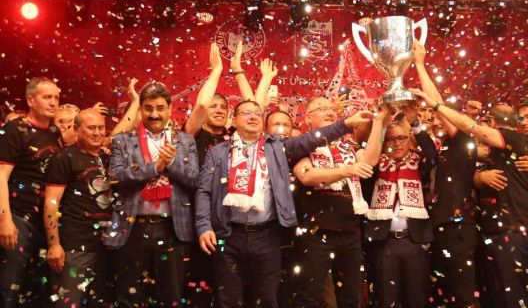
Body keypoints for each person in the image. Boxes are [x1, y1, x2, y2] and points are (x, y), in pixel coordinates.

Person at [196, 98, 373, 307]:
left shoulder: (276, 147)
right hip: (228, 234)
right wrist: (204, 226)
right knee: (228, 299)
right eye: (246, 113)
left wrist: (345, 124)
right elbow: (204, 190)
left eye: (257, 113)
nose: (253, 117)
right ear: (234, 120)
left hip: (267, 235)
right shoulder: (217, 152)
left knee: (268, 299)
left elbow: (311, 139)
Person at [411, 86, 528, 308]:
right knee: (495, 297)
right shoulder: (492, 153)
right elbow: (471, 175)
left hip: (514, 230)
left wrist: (435, 104)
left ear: (492, 124)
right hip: (492, 231)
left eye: (485, 126)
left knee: (513, 297)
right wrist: (480, 176)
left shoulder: (513, 138)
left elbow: (467, 126)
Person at [107, 82, 199, 307]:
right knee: (129, 297)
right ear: (140, 109)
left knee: (170, 296)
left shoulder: (185, 141)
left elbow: (194, 180)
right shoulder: (123, 140)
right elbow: (115, 177)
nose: (154, 114)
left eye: (160, 108)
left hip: (172, 229)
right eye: (148, 108)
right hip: (132, 227)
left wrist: (172, 163)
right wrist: (154, 168)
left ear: (170, 108)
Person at [290, 97, 384, 308]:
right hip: (316, 231)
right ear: (308, 118)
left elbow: (369, 161)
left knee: (350, 297)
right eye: (322, 108)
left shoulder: (348, 145)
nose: (329, 112)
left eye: (332, 109)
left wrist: (379, 121)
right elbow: (307, 175)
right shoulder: (302, 144)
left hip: (350, 230)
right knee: (311, 296)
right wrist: (346, 170)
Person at [413, 41, 480, 307]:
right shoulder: (442, 149)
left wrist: (420, 65)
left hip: (458, 226)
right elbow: (428, 149)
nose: (437, 117)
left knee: (462, 293)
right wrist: (413, 121)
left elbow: (438, 105)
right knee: (439, 293)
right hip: (436, 226)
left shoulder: (463, 141)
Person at [0, 77, 63, 307]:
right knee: (10, 287)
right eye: (47, 97)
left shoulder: (54, 132)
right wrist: (5, 220)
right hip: (18, 217)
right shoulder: (15, 130)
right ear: (30, 100)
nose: (53, 102)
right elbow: (0, 176)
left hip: (43, 221)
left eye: (56, 97)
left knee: (34, 290)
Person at [365, 117, 437, 308]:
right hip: (383, 242)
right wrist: (381, 123)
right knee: (386, 300)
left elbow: (432, 155)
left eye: (402, 138)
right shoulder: (374, 164)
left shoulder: (419, 162)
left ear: (409, 139)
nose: (397, 143)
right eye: (391, 139)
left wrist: (416, 125)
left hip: (415, 241)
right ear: (384, 142)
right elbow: (369, 157)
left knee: (417, 299)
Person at [44, 108, 112, 307]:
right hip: (74, 246)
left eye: (101, 128)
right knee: (69, 302)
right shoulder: (65, 158)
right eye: (91, 128)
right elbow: (51, 202)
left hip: (106, 245)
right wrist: (54, 245)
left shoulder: (107, 158)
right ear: (76, 129)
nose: (97, 133)